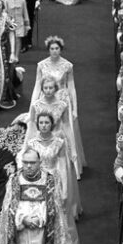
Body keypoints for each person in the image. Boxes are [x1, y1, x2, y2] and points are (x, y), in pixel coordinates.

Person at [29, 35, 85, 174]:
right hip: (46, 99)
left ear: (60, 49)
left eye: (57, 48)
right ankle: (43, 162)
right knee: (44, 127)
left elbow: (71, 87)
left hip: (63, 100)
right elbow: (37, 85)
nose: (54, 51)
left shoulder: (67, 65)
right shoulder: (41, 65)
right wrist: (33, 102)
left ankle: (68, 166)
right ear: (48, 50)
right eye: (52, 48)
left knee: (65, 129)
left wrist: (75, 108)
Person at [21, 110, 82, 236]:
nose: (44, 125)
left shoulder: (59, 143)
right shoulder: (32, 143)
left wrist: (64, 189)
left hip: (52, 181)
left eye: (46, 122)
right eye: (41, 123)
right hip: (36, 182)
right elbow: (28, 165)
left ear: (52, 124)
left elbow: (62, 166)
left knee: (55, 213)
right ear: (37, 125)